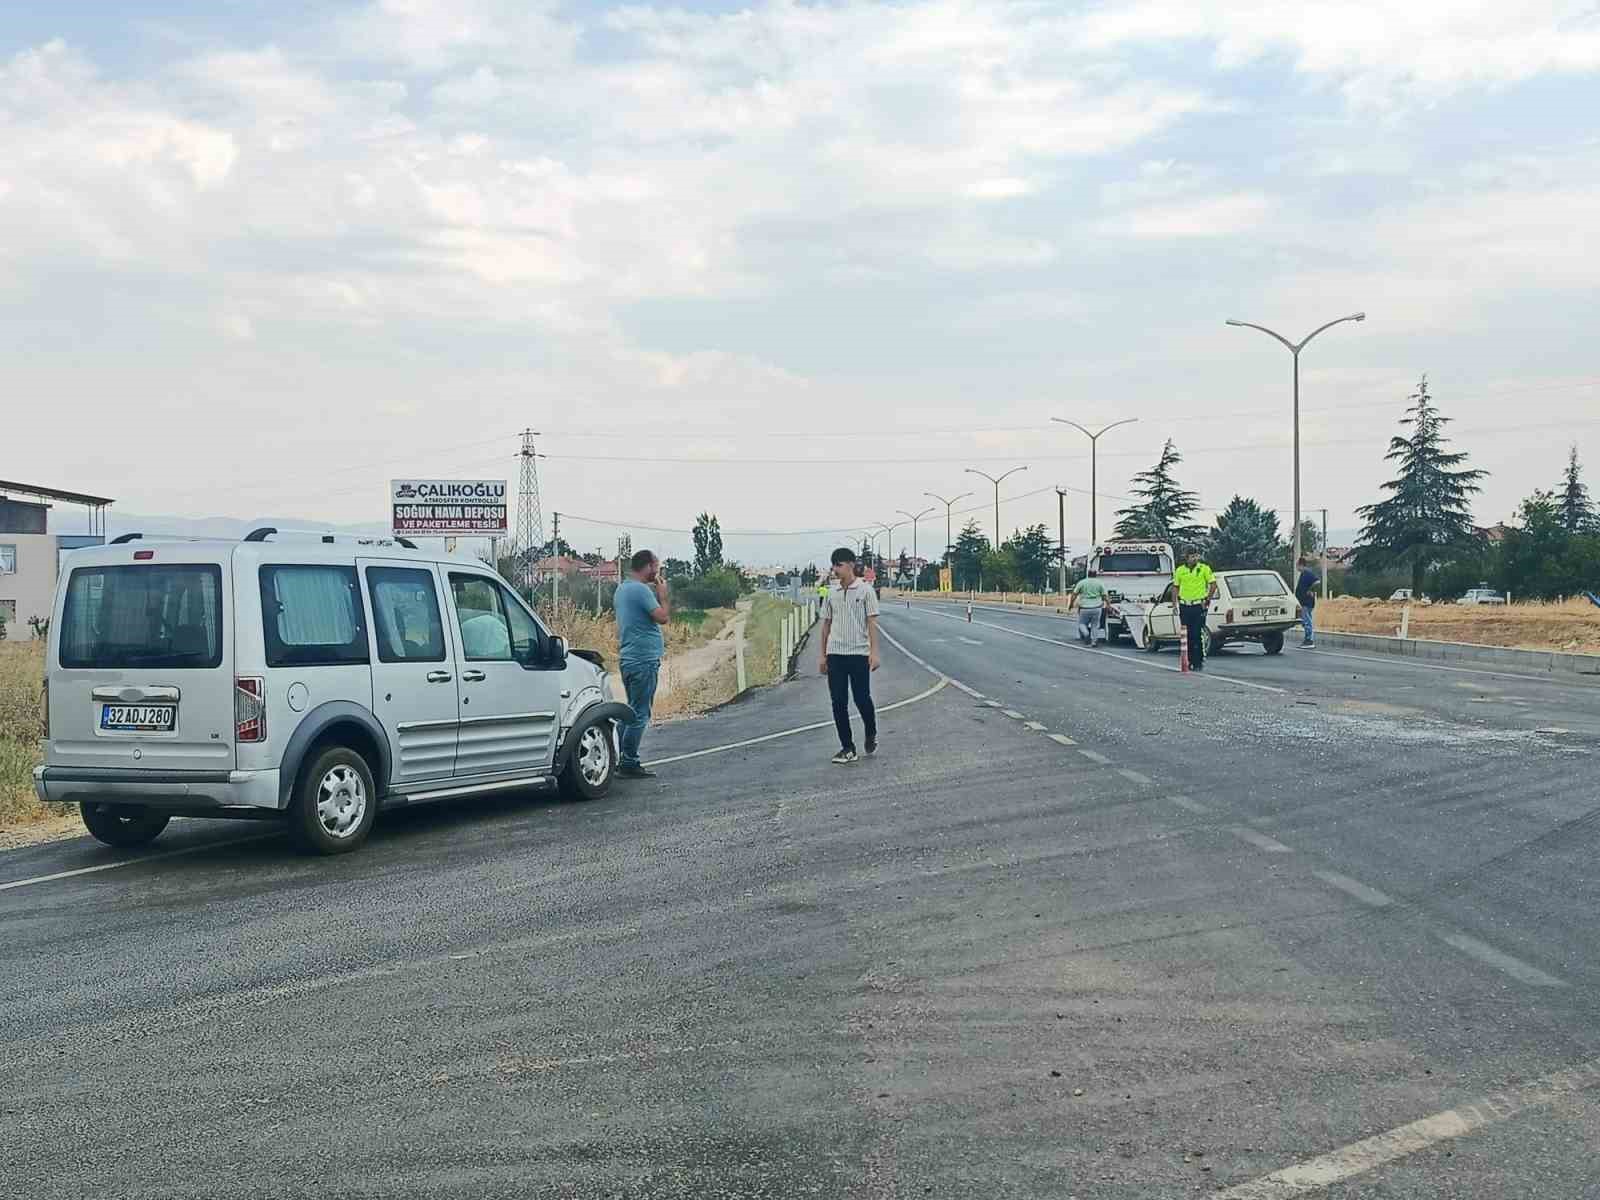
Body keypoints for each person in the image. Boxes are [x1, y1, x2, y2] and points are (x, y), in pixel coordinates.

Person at [817, 547, 880, 764]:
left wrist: (874, 652)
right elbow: (825, 625)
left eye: (839, 565)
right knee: (838, 702)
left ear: (851, 565)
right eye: (833, 565)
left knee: (862, 699)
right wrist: (823, 656)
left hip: (858, 654)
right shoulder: (832, 593)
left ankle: (871, 731)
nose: (835, 569)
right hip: (835, 654)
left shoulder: (865, 591)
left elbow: (872, 623)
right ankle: (848, 747)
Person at [613, 549, 670, 778]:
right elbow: (663, 617)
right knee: (640, 714)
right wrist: (663, 594)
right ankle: (629, 761)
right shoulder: (640, 590)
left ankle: (618, 756)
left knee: (631, 710)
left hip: (629, 658)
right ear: (647, 566)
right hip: (643, 659)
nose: (657, 572)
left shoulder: (622, 589)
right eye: (656, 567)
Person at [1172, 546, 1218, 671]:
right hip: (1185, 605)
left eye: (1196, 555)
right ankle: (1189, 660)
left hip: (1198, 605)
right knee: (1186, 635)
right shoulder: (1180, 570)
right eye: (1192, 556)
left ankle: (1198, 661)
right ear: (1186, 557)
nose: (1195, 558)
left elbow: (1213, 584)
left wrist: (1207, 599)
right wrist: (1174, 603)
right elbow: (1175, 587)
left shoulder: (1204, 569)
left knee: (1196, 633)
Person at [1068, 569, 1108, 645]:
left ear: (1088, 574)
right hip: (1097, 607)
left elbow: (1074, 594)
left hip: (1084, 607)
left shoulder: (1082, 582)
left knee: (1082, 624)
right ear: (1095, 575)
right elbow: (1104, 595)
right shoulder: (1099, 583)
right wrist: (1108, 604)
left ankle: (1086, 634)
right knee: (1095, 625)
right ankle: (1094, 641)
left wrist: (1071, 604)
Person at [1294, 556, 1319, 647]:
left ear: (1301, 565)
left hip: (1307, 602)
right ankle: (1308, 639)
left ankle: (1309, 641)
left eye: (1297, 565)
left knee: (1307, 621)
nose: (1296, 567)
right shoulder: (1303, 574)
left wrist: (1311, 590)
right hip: (1303, 602)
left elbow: (1317, 582)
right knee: (1305, 621)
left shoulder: (1308, 573)